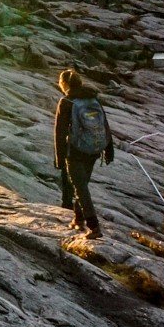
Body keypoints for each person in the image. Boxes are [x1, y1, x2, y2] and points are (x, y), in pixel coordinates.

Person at [51, 68, 114, 237]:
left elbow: (59, 132)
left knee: (80, 188)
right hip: (93, 150)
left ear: (64, 84)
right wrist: (108, 149)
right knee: (82, 184)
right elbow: (104, 124)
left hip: (76, 151)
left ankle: (94, 226)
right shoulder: (92, 98)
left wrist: (59, 157)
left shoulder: (66, 102)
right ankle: (78, 220)